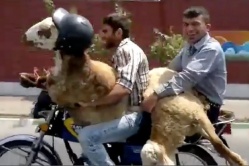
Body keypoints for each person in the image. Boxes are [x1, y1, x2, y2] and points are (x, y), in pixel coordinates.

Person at [73, 13, 150, 165]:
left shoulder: (125, 50)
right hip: (128, 112)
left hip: (133, 116)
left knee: (86, 137)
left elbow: (123, 88)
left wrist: (92, 103)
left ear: (119, 33)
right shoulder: (124, 50)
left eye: (105, 31)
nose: (101, 35)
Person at [142, 6, 227, 125]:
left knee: (149, 121)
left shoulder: (211, 49)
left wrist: (156, 94)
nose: (190, 29)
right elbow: (171, 69)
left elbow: (187, 78)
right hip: (191, 97)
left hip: (206, 106)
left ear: (207, 27)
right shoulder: (190, 46)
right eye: (186, 25)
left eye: (195, 24)